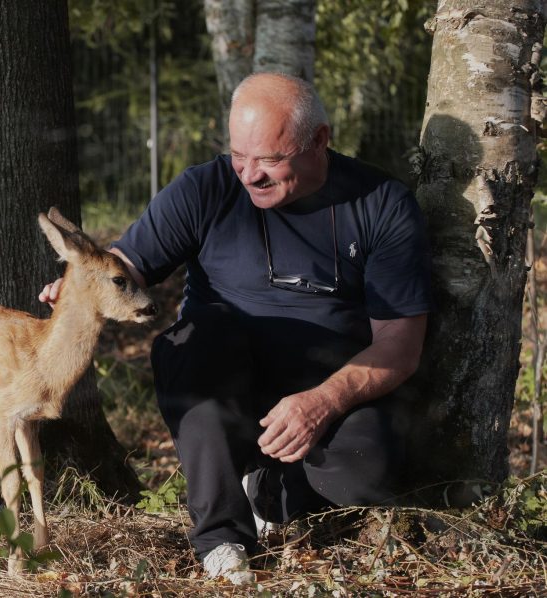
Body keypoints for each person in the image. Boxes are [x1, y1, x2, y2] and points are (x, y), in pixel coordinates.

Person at [39, 72, 433, 585]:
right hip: (226, 372)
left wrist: (323, 402)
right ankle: (221, 538)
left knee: (361, 475)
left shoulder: (382, 204)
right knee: (193, 345)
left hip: (331, 383)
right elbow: (127, 266)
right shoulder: (206, 187)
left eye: (269, 159)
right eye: (239, 156)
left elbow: (400, 347)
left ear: (319, 141)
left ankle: (273, 488)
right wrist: (82, 289)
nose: (250, 175)